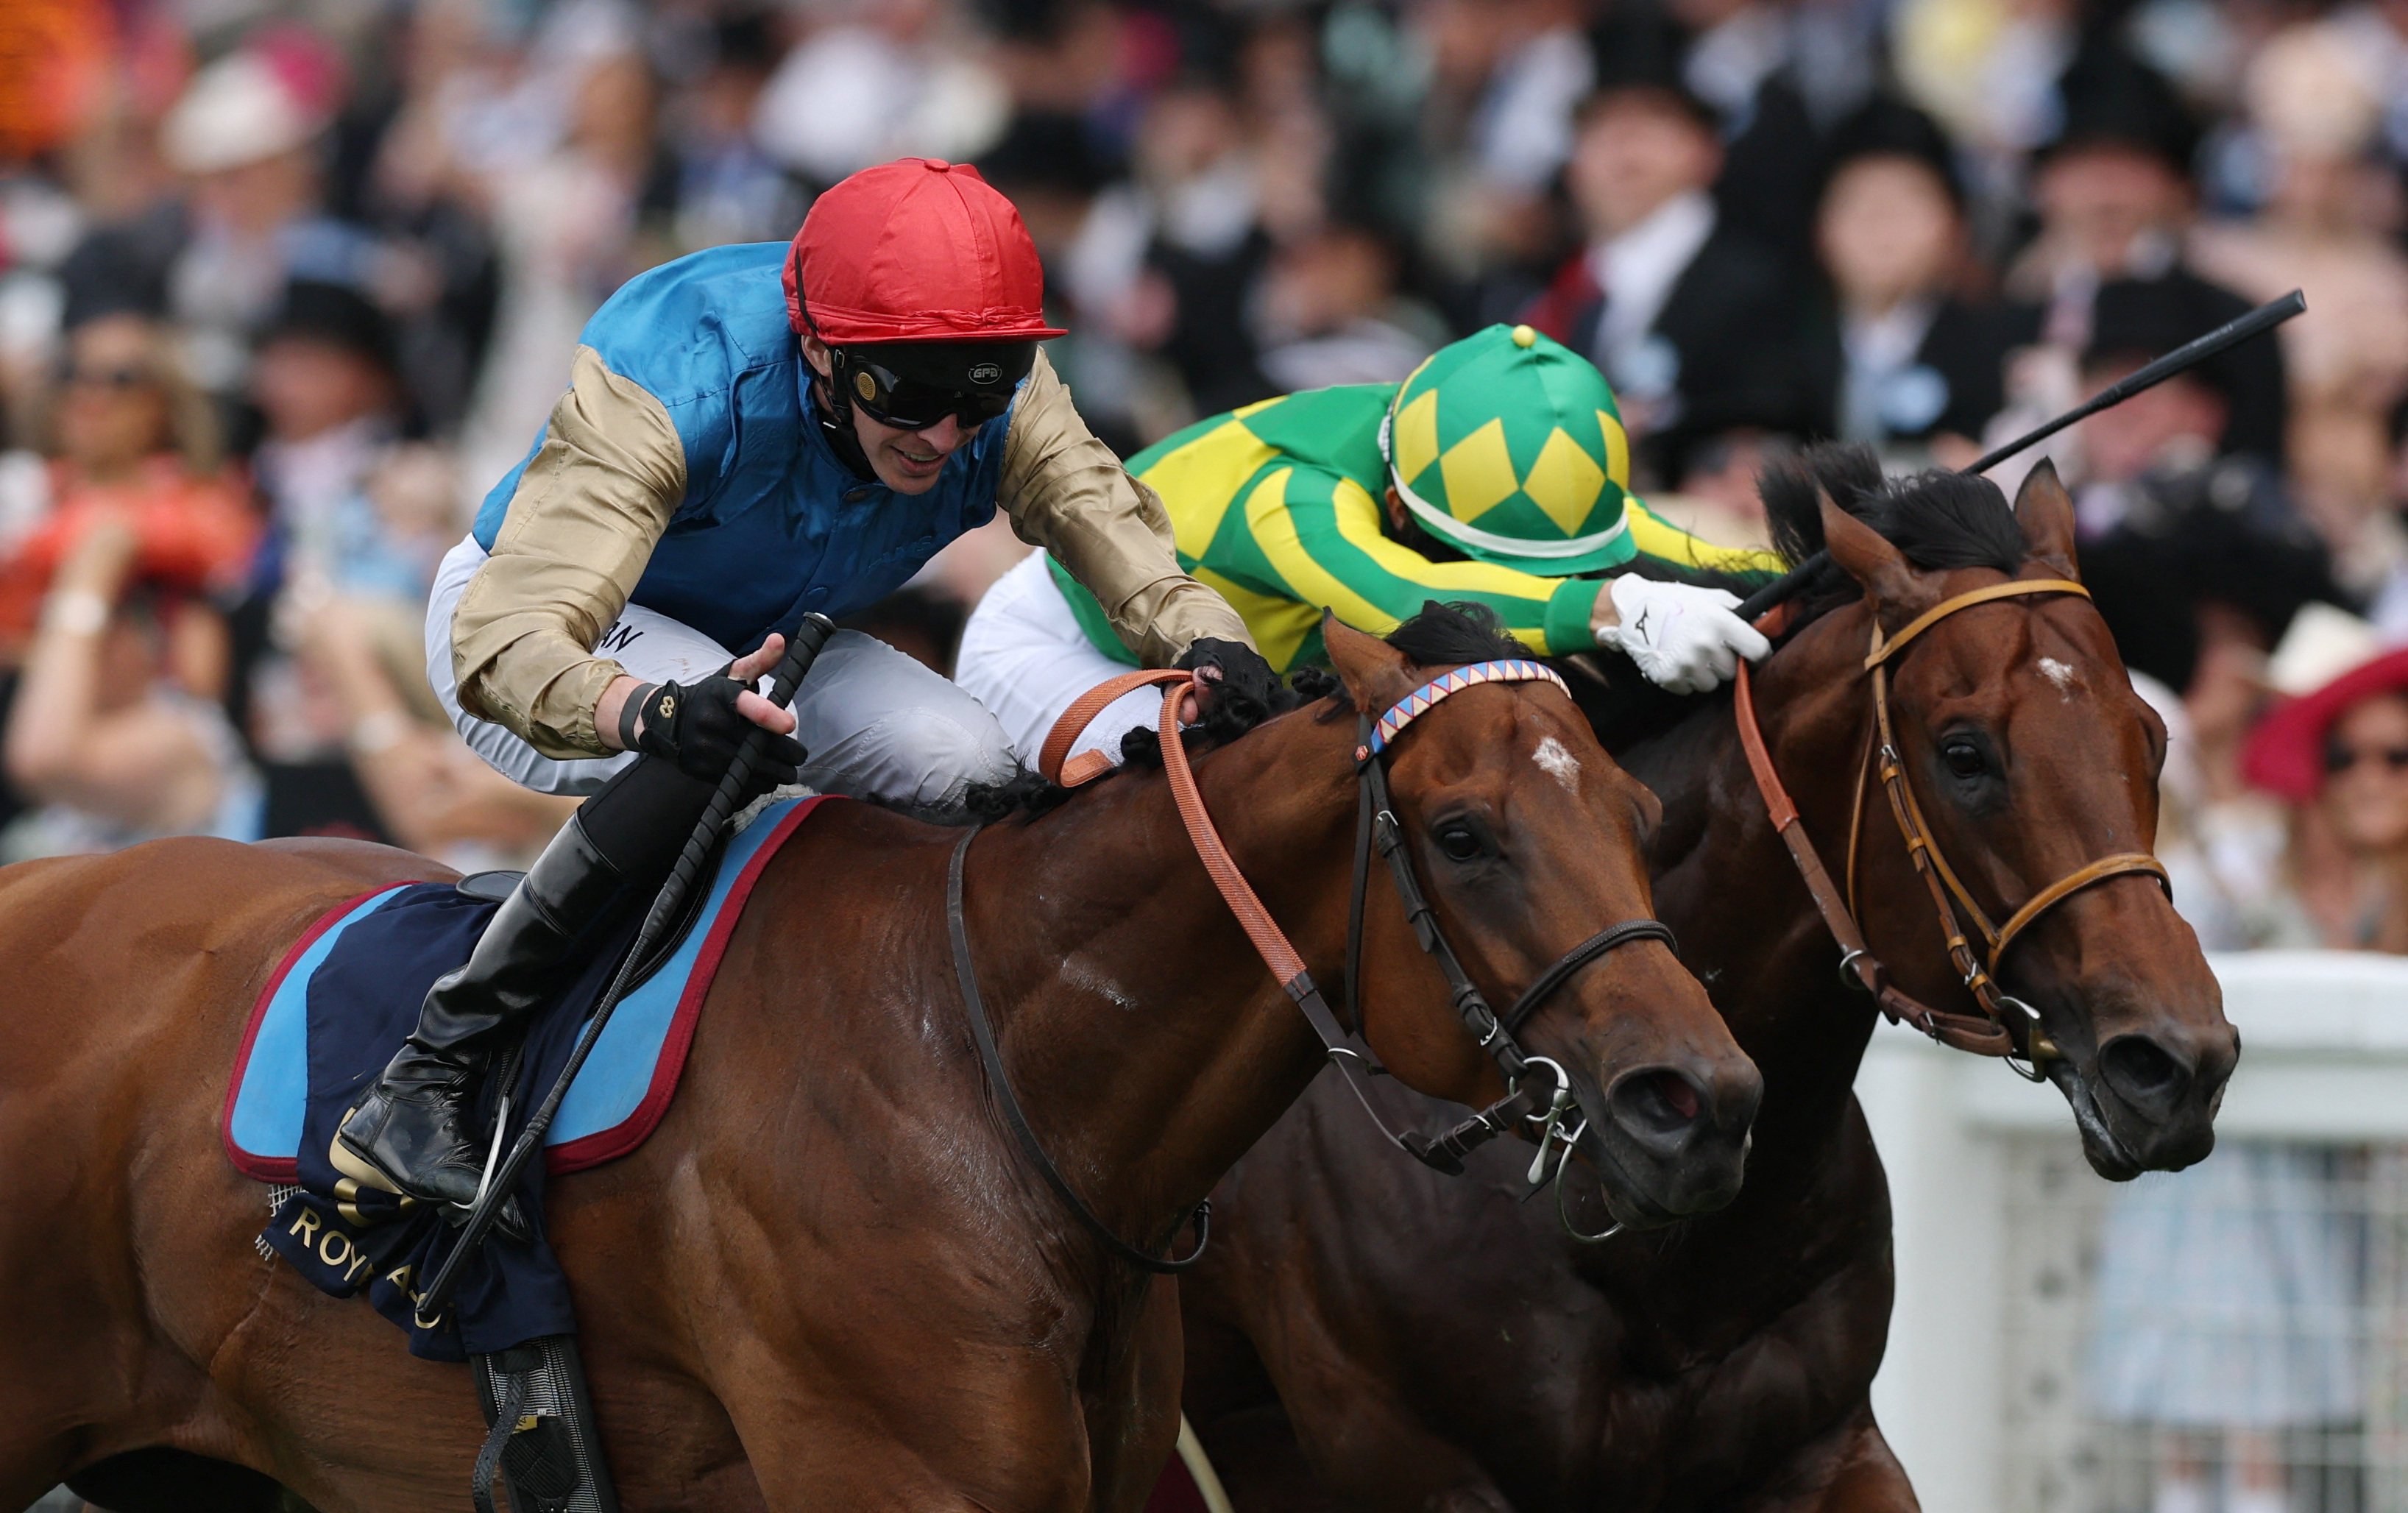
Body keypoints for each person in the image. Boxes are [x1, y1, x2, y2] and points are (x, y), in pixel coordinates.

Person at [333, 157, 1270, 1212]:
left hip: (779, 644)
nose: (945, 436)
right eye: (908, 395)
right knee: (726, 744)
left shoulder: (981, 372)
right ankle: (427, 1076)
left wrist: (1214, 644)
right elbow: (510, 637)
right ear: (821, 347)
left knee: (971, 767)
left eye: (980, 395)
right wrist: (645, 711)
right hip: (537, 631)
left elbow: (1111, 524)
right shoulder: (680, 377)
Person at [954, 322, 1780, 770]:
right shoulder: (1292, 495)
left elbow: (1676, 545)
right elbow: (1397, 597)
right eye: (1487, 556)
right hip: (1071, 648)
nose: (1510, 577)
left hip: (1241, 666)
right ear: (1395, 500)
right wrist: (1615, 605)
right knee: (1210, 796)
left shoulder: (1464, 452)